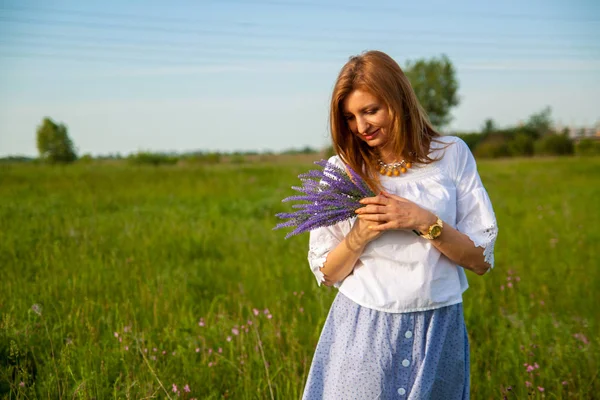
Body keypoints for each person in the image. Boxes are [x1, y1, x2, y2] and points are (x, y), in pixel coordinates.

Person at [302, 50, 498, 399]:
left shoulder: (451, 154)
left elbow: (479, 260)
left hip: (438, 327)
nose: (361, 127)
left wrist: (423, 220)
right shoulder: (341, 171)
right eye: (349, 117)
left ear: (399, 101)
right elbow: (327, 272)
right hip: (364, 328)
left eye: (370, 110)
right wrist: (360, 235)